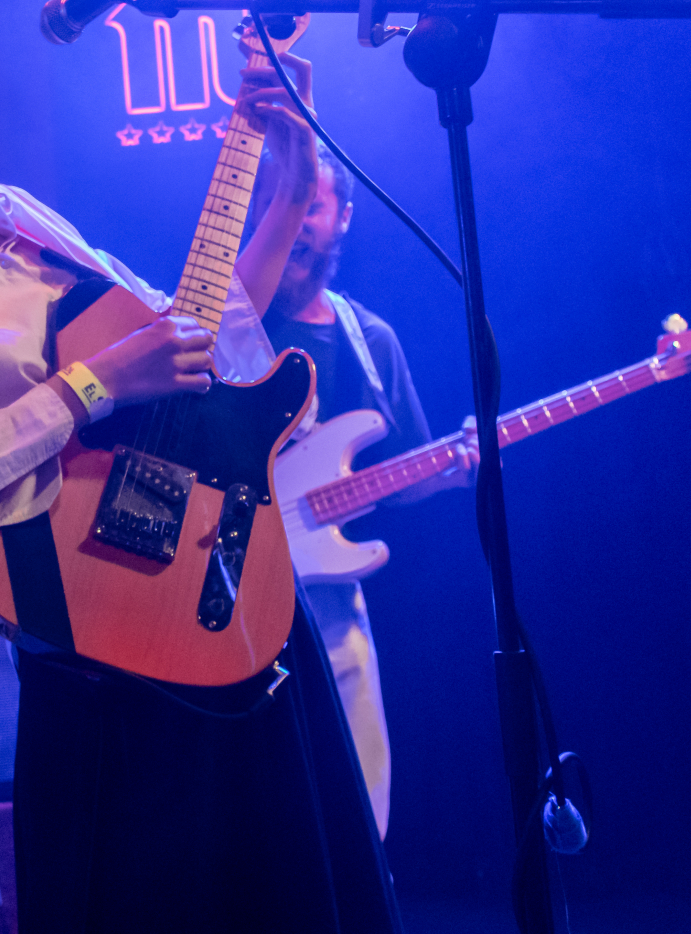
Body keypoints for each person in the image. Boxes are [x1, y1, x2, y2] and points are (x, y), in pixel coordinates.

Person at [0, 20, 403, 933]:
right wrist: (87, 388)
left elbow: (193, 353)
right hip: (109, 663)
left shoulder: (11, 213)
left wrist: (293, 184)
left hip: (234, 593)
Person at [237, 52, 474, 840]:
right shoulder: (228, 322)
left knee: (359, 808)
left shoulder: (371, 339)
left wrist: (452, 469)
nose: (297, 220)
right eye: (280, 204)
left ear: (341, 218)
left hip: (328, 597)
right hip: (224, 591)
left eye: (311, 204)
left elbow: (399, 476)